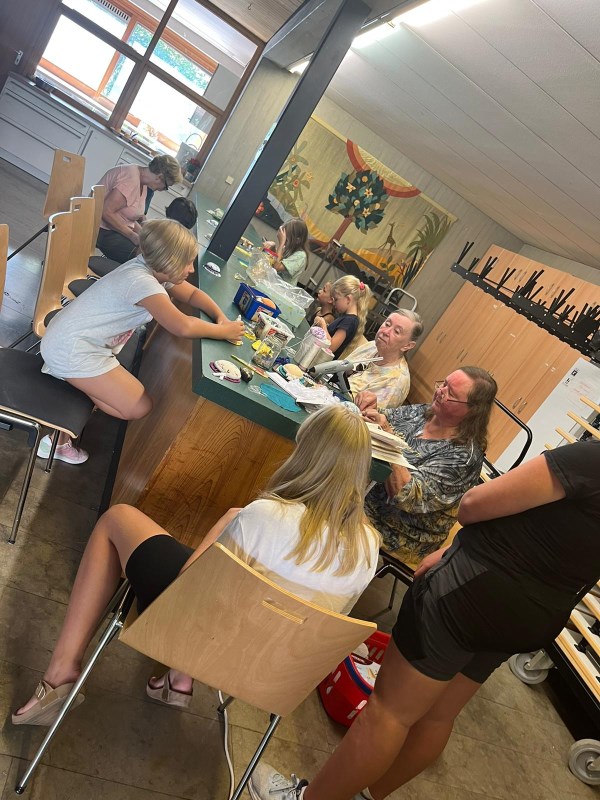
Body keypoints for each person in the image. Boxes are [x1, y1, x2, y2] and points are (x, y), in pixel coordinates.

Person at [248, 438, 600, 800]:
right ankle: (365, 795)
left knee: (389, 713)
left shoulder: (591, 459)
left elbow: (473, 505)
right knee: (438, 716)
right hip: (536, 613)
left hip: (473, 591)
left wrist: (462, 550)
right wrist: (453, 549)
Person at [13, 404, 381, 725]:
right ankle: (178, 680)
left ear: (305, 456)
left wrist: (225, 522)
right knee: (237, 591)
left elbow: (187, 592)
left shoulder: (266, 515)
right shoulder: (368, 549)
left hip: (193, 633)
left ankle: (61, 673)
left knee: (116, 519)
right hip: (267, 672)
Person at [37, 219, 244, 464]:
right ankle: (56, 439)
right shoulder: (142, 282)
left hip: (73, 339)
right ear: (167, 261)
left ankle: (76, 393)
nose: (191, 269)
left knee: (131, 401)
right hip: (71, 349)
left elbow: (192, 294)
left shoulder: (150, 268)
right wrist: (223, 332)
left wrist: (221, 318)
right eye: (187, 262)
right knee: (138, 407)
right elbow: (182, 326)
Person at [359, 367, 497, 567]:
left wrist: (387, 436)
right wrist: (369, 407)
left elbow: (405, 496)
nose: (440, 391)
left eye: (451, 393)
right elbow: (385, 418)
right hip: (369, 496)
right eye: (444, 384)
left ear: (472, 411)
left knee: (327, 500)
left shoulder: (463, 457)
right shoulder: (426, 412)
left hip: (398, 531)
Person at [96, 155, 182, 264]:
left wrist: (144, 234)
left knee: (150, 251)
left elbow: (126, 217)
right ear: (159, 177)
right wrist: (132, 236)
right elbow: (106, 212)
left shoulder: (142, 183)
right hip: (99, 229)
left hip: (110, 229)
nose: (162, 190)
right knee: (143, 259)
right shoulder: (130, 179)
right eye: (165, 186)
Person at [349, 310, 424, 409]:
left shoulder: (395, 383)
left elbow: (358, 413)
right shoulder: (372, 346)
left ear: (407, 345)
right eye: (387, 324)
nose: (385, 332)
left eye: (396, 331)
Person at [314, 276, 372, 359]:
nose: (334, 303)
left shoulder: (349, 321)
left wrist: (323, 325)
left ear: (348, 299)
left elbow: (330, 347)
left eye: (336, 299)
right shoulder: (346, 318)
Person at [263, 218, 309, 285]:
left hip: (282, 288)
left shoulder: (301, 256)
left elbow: (276, 267)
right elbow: (276, 260)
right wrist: (273, 247)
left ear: (297, 240)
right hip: (274, 282)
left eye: (286, 239)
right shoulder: (288, 247)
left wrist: (281, 243)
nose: (284, 240)